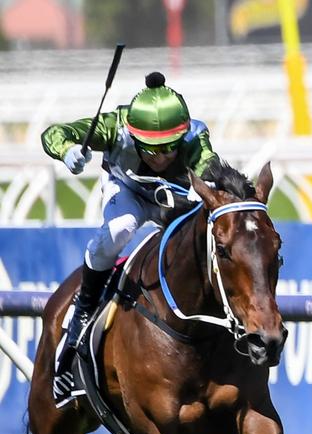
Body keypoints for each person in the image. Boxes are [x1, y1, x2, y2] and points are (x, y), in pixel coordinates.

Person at [41, 71, 220, 365]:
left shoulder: (195, 135)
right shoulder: (115, 126)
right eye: (151, 148)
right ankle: (85, 306)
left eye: (169, 147)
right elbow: (55, 133)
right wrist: (67, 150)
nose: (160, 158)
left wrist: (210, 184)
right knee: (120, 229)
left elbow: (209, 166)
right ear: (134, 134)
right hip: (128, 189)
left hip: (173, 197)